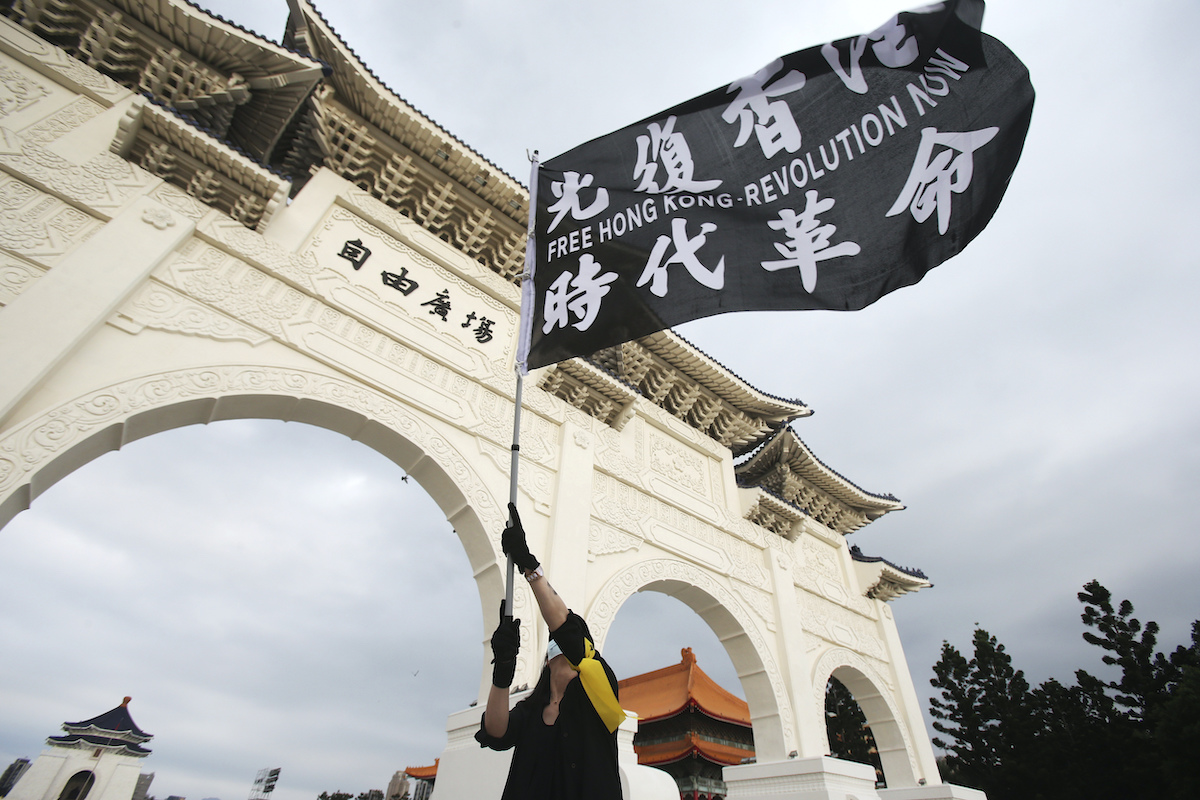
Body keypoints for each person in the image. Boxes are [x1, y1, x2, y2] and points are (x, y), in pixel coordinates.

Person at [475, 503, 625, 799]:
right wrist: (503, 670)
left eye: (569, 636)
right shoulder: (531, 710)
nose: (562, 641)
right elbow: (496, 731)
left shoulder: (601, 687)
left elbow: (564, 627)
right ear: (547, 658)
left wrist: (527, 563)